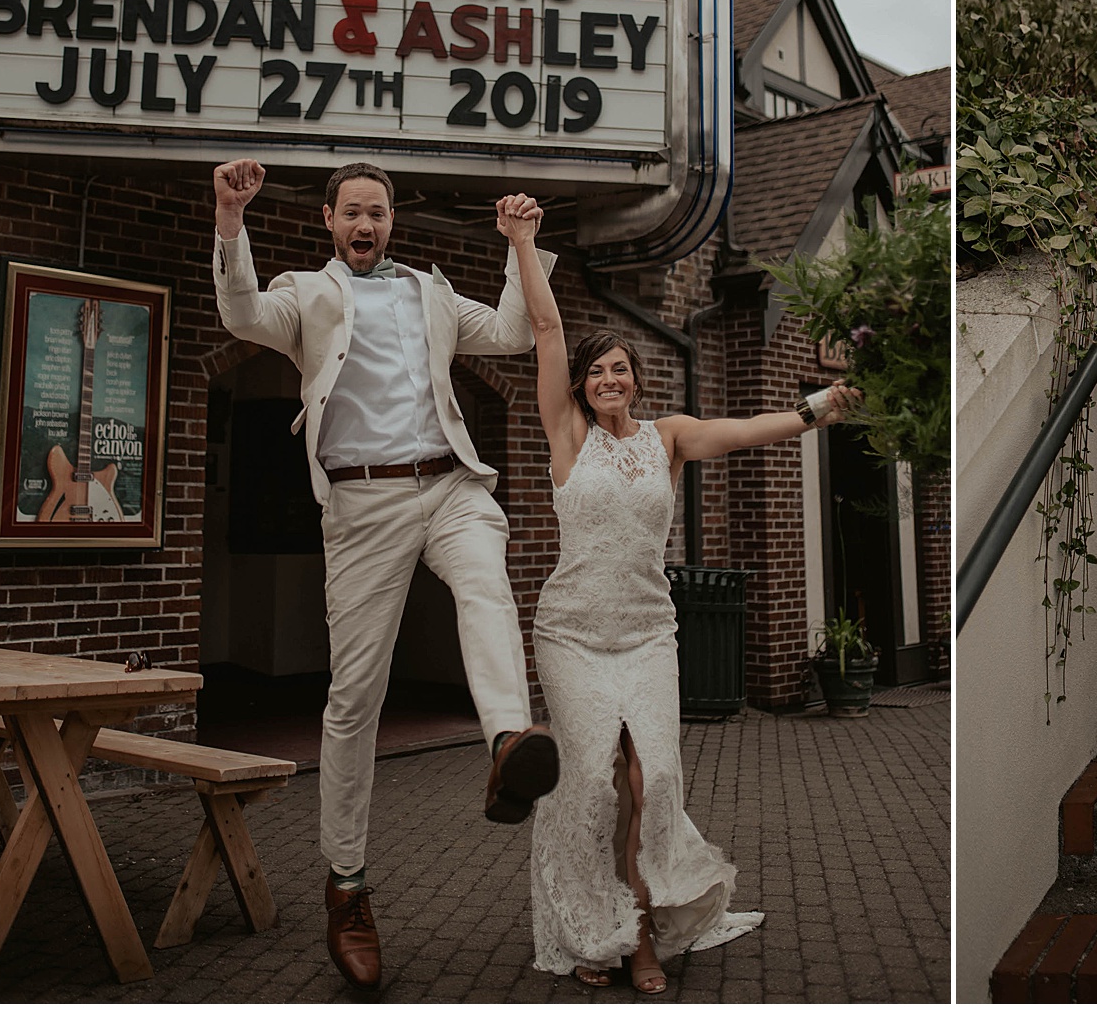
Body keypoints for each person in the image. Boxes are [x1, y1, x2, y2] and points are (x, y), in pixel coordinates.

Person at [210, 158, 562, 991]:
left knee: (485, 582)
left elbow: (513, 333)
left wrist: (522, 244)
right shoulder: (305, 293)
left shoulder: (431, 294)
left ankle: (508, 739)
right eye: (352, 213)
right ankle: (347, 887)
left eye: (379, 212)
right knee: (353, 700)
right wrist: (231, 221)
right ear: (330, 220)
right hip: (362, 506)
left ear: (393, 221)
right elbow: (243, 311)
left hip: (448, 481)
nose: (366, 225)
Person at [496, 194, 860, 995]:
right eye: (596, 371)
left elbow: (744, 429)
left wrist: (816, 408)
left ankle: (646, 919)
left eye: (619, 366)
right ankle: (613, 935)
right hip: (572, 635)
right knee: (591, 783)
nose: (608, 377)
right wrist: (525, 240)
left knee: (652, 778)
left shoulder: (669, 438)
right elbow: (550, 331)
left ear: (636, 375)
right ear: (583, 387)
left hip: (648, 634)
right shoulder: (568, 437)